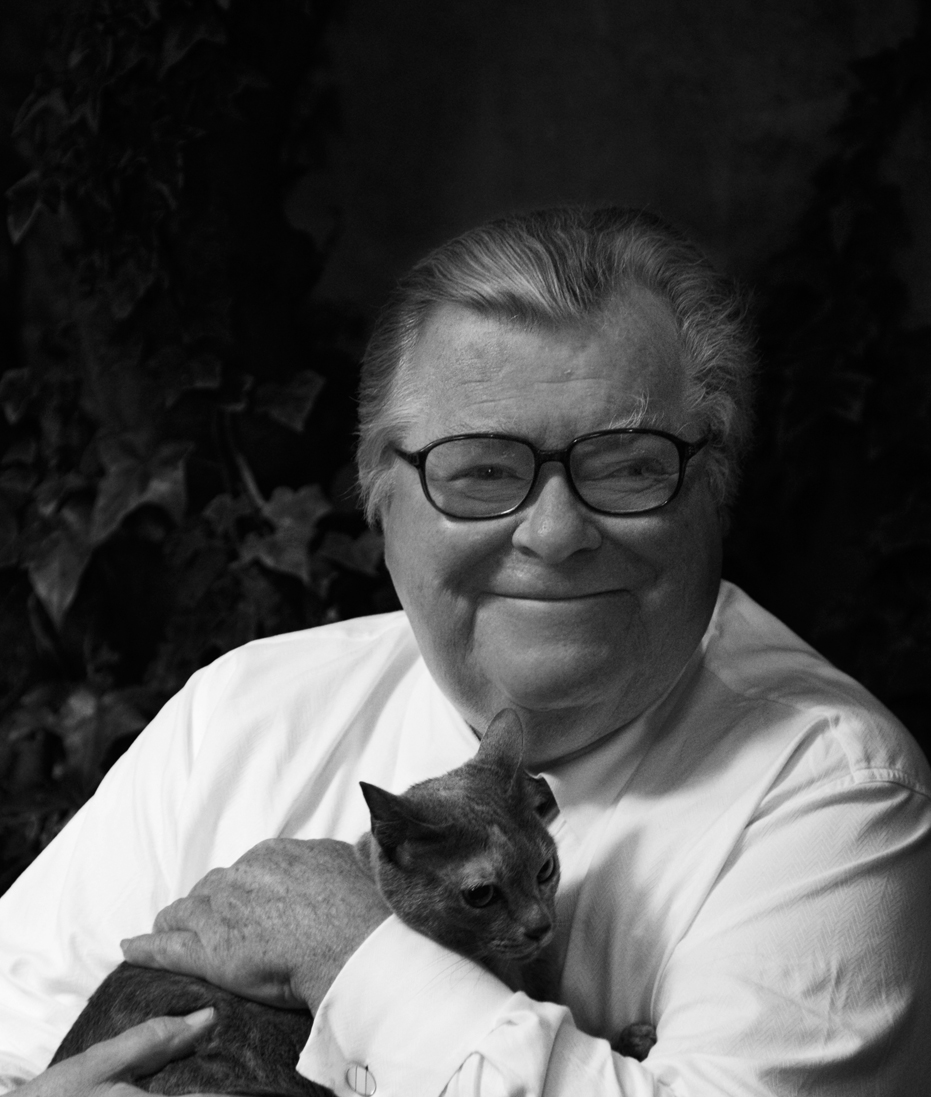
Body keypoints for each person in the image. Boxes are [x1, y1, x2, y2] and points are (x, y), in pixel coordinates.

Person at [1, 206, 929, 1097]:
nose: (554, 533)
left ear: (713, 492)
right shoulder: (244, 709)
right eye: (482, 469)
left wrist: (352, 950)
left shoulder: (838, 787)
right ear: (379, 498)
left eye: (626, 464)